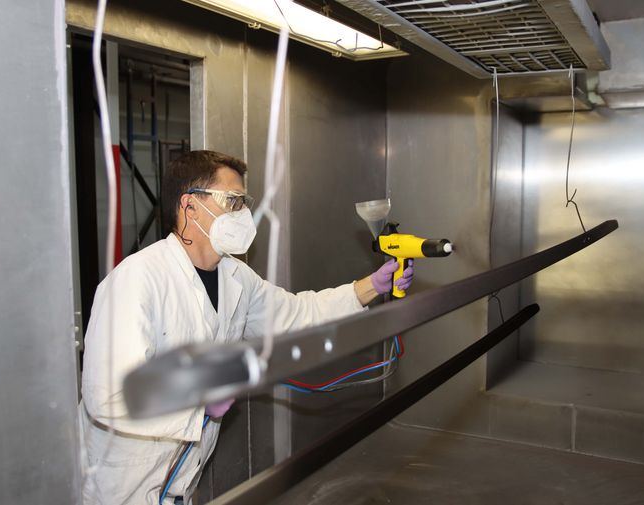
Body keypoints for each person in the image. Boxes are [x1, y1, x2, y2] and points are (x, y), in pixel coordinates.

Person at [79, 150, 414, 505]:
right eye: (232, 201)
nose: (243, 214)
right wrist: (198, 404)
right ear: (190, 207)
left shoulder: (235, 275)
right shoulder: (137, 279)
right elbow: (108, 395)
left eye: (244, 202)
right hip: (120, 486)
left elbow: (296, 313)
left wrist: (369, 288)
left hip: (179, 482)